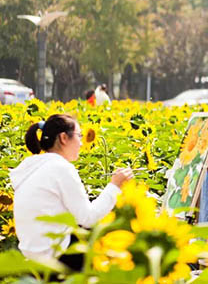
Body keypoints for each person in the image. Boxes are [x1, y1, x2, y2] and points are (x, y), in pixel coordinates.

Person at [10, 114, 133, 269]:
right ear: (63, 138)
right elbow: (88, 218)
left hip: (31, 259)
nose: (82, 143)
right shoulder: (60, 168)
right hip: (56, 258)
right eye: (79, 136)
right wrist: (115, 185)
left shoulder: (32, 168)